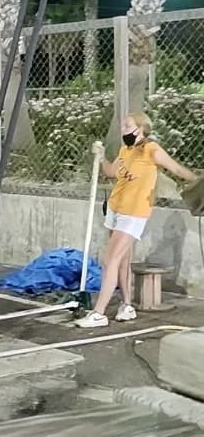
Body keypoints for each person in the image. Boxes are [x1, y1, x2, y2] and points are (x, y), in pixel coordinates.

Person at [75, 112, 198, 329]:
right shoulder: (125, 150)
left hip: (134, 212)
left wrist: (199, 181)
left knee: (109, 260)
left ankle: (99, 313)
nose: (123, 129)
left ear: (140, 128)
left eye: (127, 125)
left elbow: (177, 169)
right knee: (121, 260)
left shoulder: (151, 150)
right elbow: (112, 172)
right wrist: (101, 156)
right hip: (115, 209)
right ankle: (127, 305)